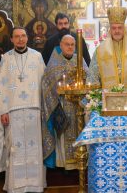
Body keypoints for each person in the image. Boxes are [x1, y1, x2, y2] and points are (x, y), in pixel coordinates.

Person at [0, 26, 46, 192]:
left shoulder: (37, 57)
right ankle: (17, 186)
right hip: (13, 112)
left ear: (27, 38)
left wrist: (44, 108)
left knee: (34, 148)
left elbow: (44, 84)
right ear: (12, 39)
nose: (20, 39)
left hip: (34, 110)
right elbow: (0, 88)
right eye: (17, 37)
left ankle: (35, 185)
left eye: (23, 36)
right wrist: (3, 111)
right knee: (15, 148)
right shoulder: (6, 59)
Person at [41, 34, 88, 171]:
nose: (70, 47)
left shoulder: (80, 61)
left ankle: (80, 162)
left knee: (79, 131)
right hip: (61, 104)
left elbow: (87, 79)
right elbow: (46, 82)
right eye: (67, 44)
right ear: (61, 45)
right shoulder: (54, 62)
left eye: (72, 45)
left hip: (78, 106)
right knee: (63, 134)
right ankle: (64, 164)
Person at [87, 6, 127, 88]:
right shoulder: (100, 50)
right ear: (110, 29)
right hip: (108, 95)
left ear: (123, 28)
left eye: (119, 28)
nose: (117, 31)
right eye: (114, 28)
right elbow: (92, 74)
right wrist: (95, 95)